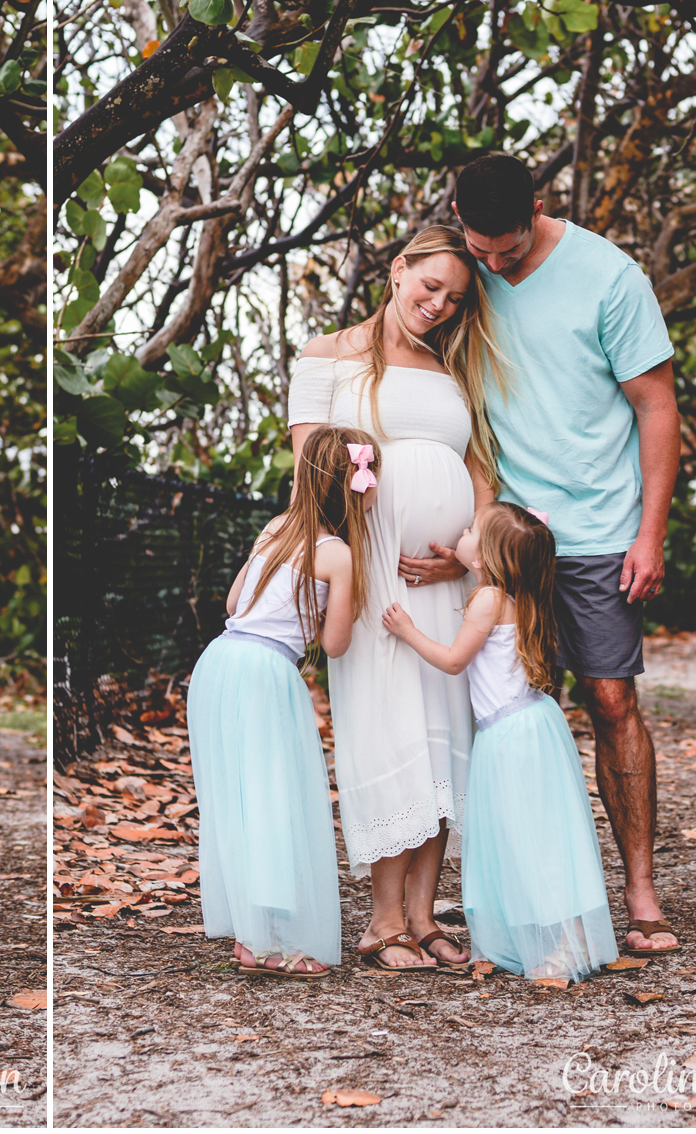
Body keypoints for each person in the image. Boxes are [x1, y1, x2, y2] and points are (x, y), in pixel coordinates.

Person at [449, 153, 682, 956]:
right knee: (506, 713)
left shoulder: (609, 276)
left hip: (598, 532)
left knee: (610, 701)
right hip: (508, 538)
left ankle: (641, 888)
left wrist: (648, 533)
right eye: (479, 248)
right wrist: (476, 527)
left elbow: (656, 405)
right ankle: (532, 896)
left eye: (505, 252)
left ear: (539, 208)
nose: (491, 264)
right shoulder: (466, 270)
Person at [288, 225, 507, 971]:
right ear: (397, 270)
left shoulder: (453, 370)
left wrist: (469, 549)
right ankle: (383, 920)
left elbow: (479, 469)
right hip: (374, 578)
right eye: (430, 286)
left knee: (445, 735)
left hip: (445, 581)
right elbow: (310, 473)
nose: (439, 304)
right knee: (390, 733)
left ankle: (424, 915)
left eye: (454, 297)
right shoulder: (326, 357)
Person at [383, 502, 619, 982]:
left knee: (524, 838)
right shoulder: (521, 594)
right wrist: (466, 557)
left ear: (487, 556)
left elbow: (453, 661)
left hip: (508, 737)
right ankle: (560, 935)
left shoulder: (487, 599)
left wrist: (407, 630)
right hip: (533, 726)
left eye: (470, 530)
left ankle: (560, 942)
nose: (461, 532)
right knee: (544, 836)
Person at [182, 427, 376, 979]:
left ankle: (251, 931)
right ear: (353, 489)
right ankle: (271, 942)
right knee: (272, 798)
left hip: (219, 659)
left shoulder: (274, 528)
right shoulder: (337, 555)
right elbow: (334, 643)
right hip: (266, 672)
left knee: (235, 798)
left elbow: (233, 600)